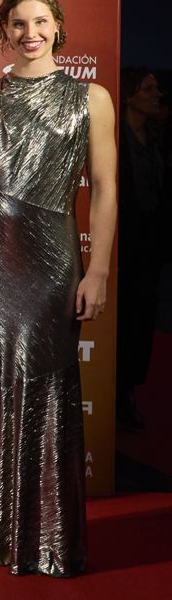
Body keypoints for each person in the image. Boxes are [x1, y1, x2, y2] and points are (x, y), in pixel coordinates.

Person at [0, 0, 116, 577]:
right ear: (4, 31)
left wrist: (98, 269)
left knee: (47, 388)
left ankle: (47, 535)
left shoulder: (91, 98)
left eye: (40, 22)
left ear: (58, 26)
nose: (30, 33)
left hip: (53, 266)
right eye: (18, 23)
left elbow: (106, 188)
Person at [116, 67, 167, 432]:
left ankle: (129, 390)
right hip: (121, 246)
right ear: (129, 94)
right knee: (120, 319)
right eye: (148, 88)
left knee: (143, 319)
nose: (157, 94)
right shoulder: (114, 137)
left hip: (150, 247)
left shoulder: (158, 137)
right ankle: (116, 392)